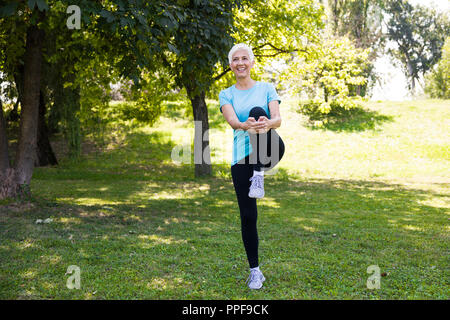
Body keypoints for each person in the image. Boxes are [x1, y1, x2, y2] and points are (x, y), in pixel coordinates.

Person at [219, 43, 285, 290]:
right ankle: (255, 271)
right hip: (241, 159)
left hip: (270, 149)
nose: (240, 63)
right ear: (230, 66)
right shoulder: (226, 94)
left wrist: (266, 123)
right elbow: (233, 121)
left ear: (252, 62)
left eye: (244, 58)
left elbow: (278, 119)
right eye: (235, 59)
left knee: (259, 111)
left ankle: (259, 175)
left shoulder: (267, 88)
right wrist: (245, 125)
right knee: (248, 216)